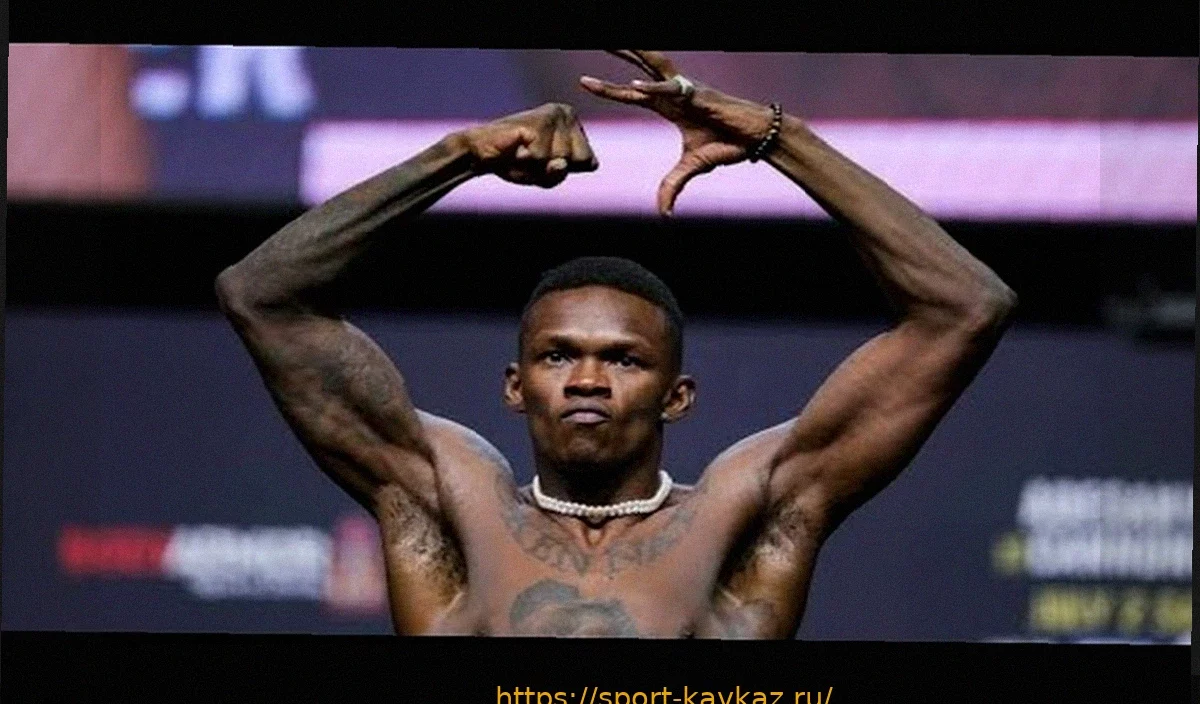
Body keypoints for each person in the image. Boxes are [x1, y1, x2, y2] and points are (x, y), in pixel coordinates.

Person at [215, 50, 1016, 638]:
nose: (587, 379)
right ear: (516, 385)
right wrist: (457, 155)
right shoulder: (446, 504)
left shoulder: (745, 515)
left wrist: (780, 137)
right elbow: (262, 295)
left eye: (624, 359)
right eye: (558, 355)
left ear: (678, 396)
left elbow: (966, 306)